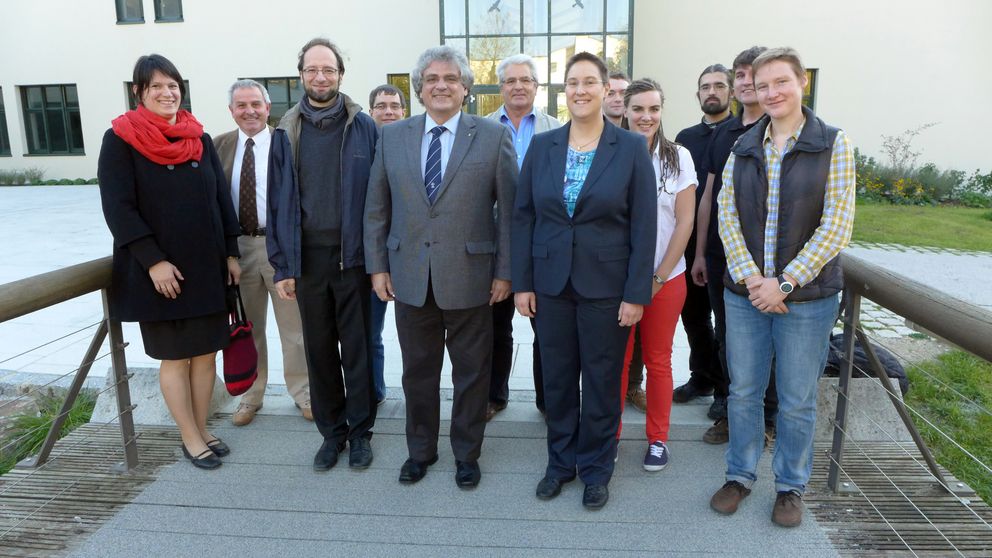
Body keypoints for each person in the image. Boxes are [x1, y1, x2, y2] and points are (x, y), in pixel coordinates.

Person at [709, 47, 855, 528]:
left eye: (781, 82)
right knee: (744, 392)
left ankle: (790, 486)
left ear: (801, 83)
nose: (771, 92)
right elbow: (726, 216)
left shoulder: (834, 144)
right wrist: (754, 279)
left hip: (807, 301)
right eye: (762, 83)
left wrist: (785, 284)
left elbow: (837, 226)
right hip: (746, 295)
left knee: (796, 399)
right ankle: (740, 475)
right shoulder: (743, 145)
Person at [364, 45, 516, 489]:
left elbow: (508, 211)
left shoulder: (492, 136)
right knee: (418, 375)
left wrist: (505, 272)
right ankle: (421, 451)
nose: (441, 86)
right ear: (419, 88)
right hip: (409, 277)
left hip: (473, 278)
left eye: (451, 79)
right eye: (432, 79)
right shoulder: (392, 137)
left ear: (466, 88)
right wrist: (378, 267)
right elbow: (377, 208)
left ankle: (467, 454)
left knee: (472, 375)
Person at [512, 52, 656, 509]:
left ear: (605, 89)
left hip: (607, 289)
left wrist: (636, 293)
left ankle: (595, 469)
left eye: (589, 82)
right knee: (556, 381)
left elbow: (644, 226)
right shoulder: (543, 146)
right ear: (564, 90)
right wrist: (523, 283)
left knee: (600, 380)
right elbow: (524, 218)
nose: (580, 90)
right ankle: (559, 464)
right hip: (551, 285)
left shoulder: (630, 148)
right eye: (572, 82)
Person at [98, 54, 241, 470]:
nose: (167, 92)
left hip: (207, 267)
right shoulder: (121, 139)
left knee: (206, 354)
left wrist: (231, 251)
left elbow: (220, 200)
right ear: (139, 92)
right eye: (156, 86)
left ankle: (200, 426)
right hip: (162, 274)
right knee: (176, 357)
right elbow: (118, 207)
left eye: (173, 85)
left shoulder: (199, 137)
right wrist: (153, 261)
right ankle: (190, 436)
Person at [267, 37, 378, 472]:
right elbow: (276, 203)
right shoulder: (285, 131)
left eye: (328, 70)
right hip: (307, 261)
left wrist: (377, 262)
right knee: (319, 352)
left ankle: (361, 432)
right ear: (301, 76)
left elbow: (378, 197)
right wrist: (283, 265)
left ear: (340, 76)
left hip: (353, 261)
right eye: (312, 70)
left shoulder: (363, 126)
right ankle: (332, 435)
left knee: (358, 349)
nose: (320, 77)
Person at [690, 47, 779, 446]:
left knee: (771, 343)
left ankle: (769, 416)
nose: (745, 83)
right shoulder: (724, 133)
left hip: (772, 263)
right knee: (729, 338)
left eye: (751, 76)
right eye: (740, 75)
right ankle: (727, 408)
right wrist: (700, 253)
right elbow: (709, 195)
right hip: (721, 256)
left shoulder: (781, 127)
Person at [212, 79, 310, 426]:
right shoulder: (219, 146)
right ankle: (250, 396)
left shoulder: (287, 143)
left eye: (256, 104)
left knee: (293, 328)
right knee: (248, 327)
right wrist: (226, 255)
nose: (249, 111)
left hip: (278, 247)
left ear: (268, 108)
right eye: (242, 105)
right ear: (232, 111)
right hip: (239, 250)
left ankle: (303, 393)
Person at [618, 78, 696, 472]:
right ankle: (608, 435)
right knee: (615, 360)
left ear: (661, 112)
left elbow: (684, 222)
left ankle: (658, 439)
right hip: (616, 279)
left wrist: (659, 276)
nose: (646, 116)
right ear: (625, 110)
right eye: (638, 109)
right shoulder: (609, 152)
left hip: (666, 278)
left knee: (658, 360)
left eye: (653, 109)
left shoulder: (678, 157)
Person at [485, 53, 562, 421]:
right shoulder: (480, 128)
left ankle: (548, 401)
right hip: (493, 244)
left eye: (525, 80)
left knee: (546, 328)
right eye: (510, 81)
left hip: (541, 245)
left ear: (536, 86)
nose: (518, 86)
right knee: (493, 328)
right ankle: (494, 396)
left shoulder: (558, 129)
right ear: (501, 87)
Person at [671, 65, 731, 410]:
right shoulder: (686, 138)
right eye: (705, 87)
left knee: (725, 324)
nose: (712, 92)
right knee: (693, 317)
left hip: (726, 245)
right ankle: (702, 376)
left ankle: (725, 391)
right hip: (689, 242)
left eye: (719, 86)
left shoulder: (742, 132)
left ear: (731, 92)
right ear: (698, 95)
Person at [366, 83, 409, 405]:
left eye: (394, 105)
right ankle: (374, 392)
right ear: (371, 112)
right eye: (381, 106)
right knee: (371, 332)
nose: (388, 111)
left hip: (412, 255)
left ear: (404, 111)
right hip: (375, 255)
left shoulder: (414, 144)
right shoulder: (362, 148)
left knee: (417, 338)